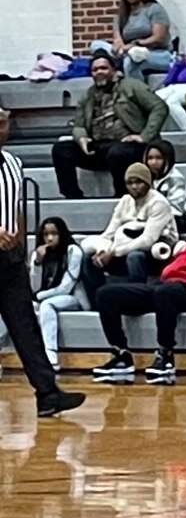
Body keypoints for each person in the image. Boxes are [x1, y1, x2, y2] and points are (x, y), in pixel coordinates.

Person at [93, 205, 186, 384]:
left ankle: (165, 354)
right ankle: (121, 354)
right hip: (165, 288)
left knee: (165, 293)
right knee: (106, 294)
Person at [0, 108, 86, 416]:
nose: (2, 126)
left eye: (4, 120)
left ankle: (48, 393)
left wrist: (21, 248)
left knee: (26, 328)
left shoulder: (13, 163)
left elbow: (15, 207)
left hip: (9, 260)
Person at [51, 52, 167, 198]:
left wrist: (144, 136)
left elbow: (159, 107)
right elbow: (79, 125)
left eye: (103, 68)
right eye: (95, 70)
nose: (99, 72)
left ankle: (122, 195)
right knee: (61, 149)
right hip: (99, 147)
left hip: (130, 146)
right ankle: (72, 195)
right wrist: (82, 138)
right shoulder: (87, 96)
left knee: (118, 153)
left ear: (113, 69)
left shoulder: (132, 86)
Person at [79, 162, 176, 303]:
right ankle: (97, 303)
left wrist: (113, 253)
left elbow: (147, 240)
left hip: (157, 252)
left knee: (135, 256)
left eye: (138, 182)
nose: (134, 186)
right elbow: (108, 233)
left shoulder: (158, 203)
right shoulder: (124, 201)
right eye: (130, 183)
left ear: (148, 183)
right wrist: (102, 251)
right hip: (124, 247)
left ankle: (137, 300)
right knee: (89, 259)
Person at [31, 216, 89, 369]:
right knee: (14, 307)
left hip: (72, 297)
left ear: (61, 234)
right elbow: (34, 287)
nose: (50, 238)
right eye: (45, 234)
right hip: (43, 297)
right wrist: (37, 263)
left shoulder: (73, 251)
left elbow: (66, 287)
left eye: (54, 234)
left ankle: (51, 354)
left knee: (47, 305)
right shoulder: (37, 254)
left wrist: (39, 296)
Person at [93, 0, 174, 81]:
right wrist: (117, 47)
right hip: (127, 52)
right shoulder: (120, 15)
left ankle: (136, 95)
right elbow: (118, 39)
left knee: (130, 60)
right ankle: (122, 60)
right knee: (96, 45)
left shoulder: (154, 9)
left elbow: (159, 38)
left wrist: (136, 44)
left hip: (157, 54)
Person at [144, 140, 186, 234]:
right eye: (150, 158)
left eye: (158, 158)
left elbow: (176, 209)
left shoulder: (176, 179)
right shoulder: (146, 178)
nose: (153, 162)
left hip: (175, 220)